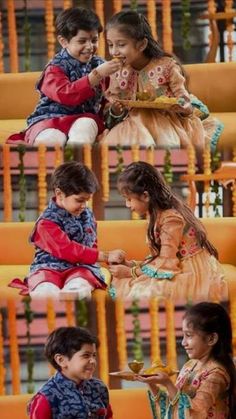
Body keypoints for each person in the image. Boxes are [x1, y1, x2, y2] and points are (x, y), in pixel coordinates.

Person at [100, 10, 223, 158]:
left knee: (165, 144)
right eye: (110, 45)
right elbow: (111, 104)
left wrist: (183, 106)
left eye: (121, 45)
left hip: (164, 121)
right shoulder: (115, 71)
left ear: (141, 44)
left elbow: (182, 96)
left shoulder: (167, 66)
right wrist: (116, 110)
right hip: (130, 123)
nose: (114, 51)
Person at [108, 161, 226, 301]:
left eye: (129, 199)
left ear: (146, 196)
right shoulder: (157, 214)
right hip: (174, 264)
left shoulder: (171, 219)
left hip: (189, 271)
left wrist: (131, 272)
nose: (127, 205)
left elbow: (166, 261)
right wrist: (131, 265)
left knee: (145, 293)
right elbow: (159, 257)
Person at [6, 7, 122, 146]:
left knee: (85, 127)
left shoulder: (100, 64)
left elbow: (107, 99)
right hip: (50, 119)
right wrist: (96, 75)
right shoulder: (55, 68)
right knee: (52, 139)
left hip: (84, 118)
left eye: (94, 40)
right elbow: (65, 94)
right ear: (63, 41)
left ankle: (74, 165)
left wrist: (113, 107)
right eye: (82, 41)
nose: (90, 46)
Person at [9, 161, 125, 299]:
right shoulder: (46, 222)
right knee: (44, 286)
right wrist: (105, 256)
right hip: (49, 267)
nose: (84, 205)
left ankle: (72, 295)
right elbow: (67, 249)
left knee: (82, 281)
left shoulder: (87, 215)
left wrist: (106, 260)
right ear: (60, 194)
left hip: (81, 268)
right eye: (79, 200)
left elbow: (92, 242)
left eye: (87, 200)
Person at [136, 302, 236, 418]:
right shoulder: (189, 365)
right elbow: (172, 407)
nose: (183, 343)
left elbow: (194, 414)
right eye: (183, 336)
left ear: (211, 338)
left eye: (189, 335)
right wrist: (152, 383)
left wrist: (168, 383)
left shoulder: (216, 375)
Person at [28, 326, 113, 418]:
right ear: (61, 360)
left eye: (94, 355)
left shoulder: (99, 388)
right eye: (86, 355)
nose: (93, 361)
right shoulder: (46, 397)